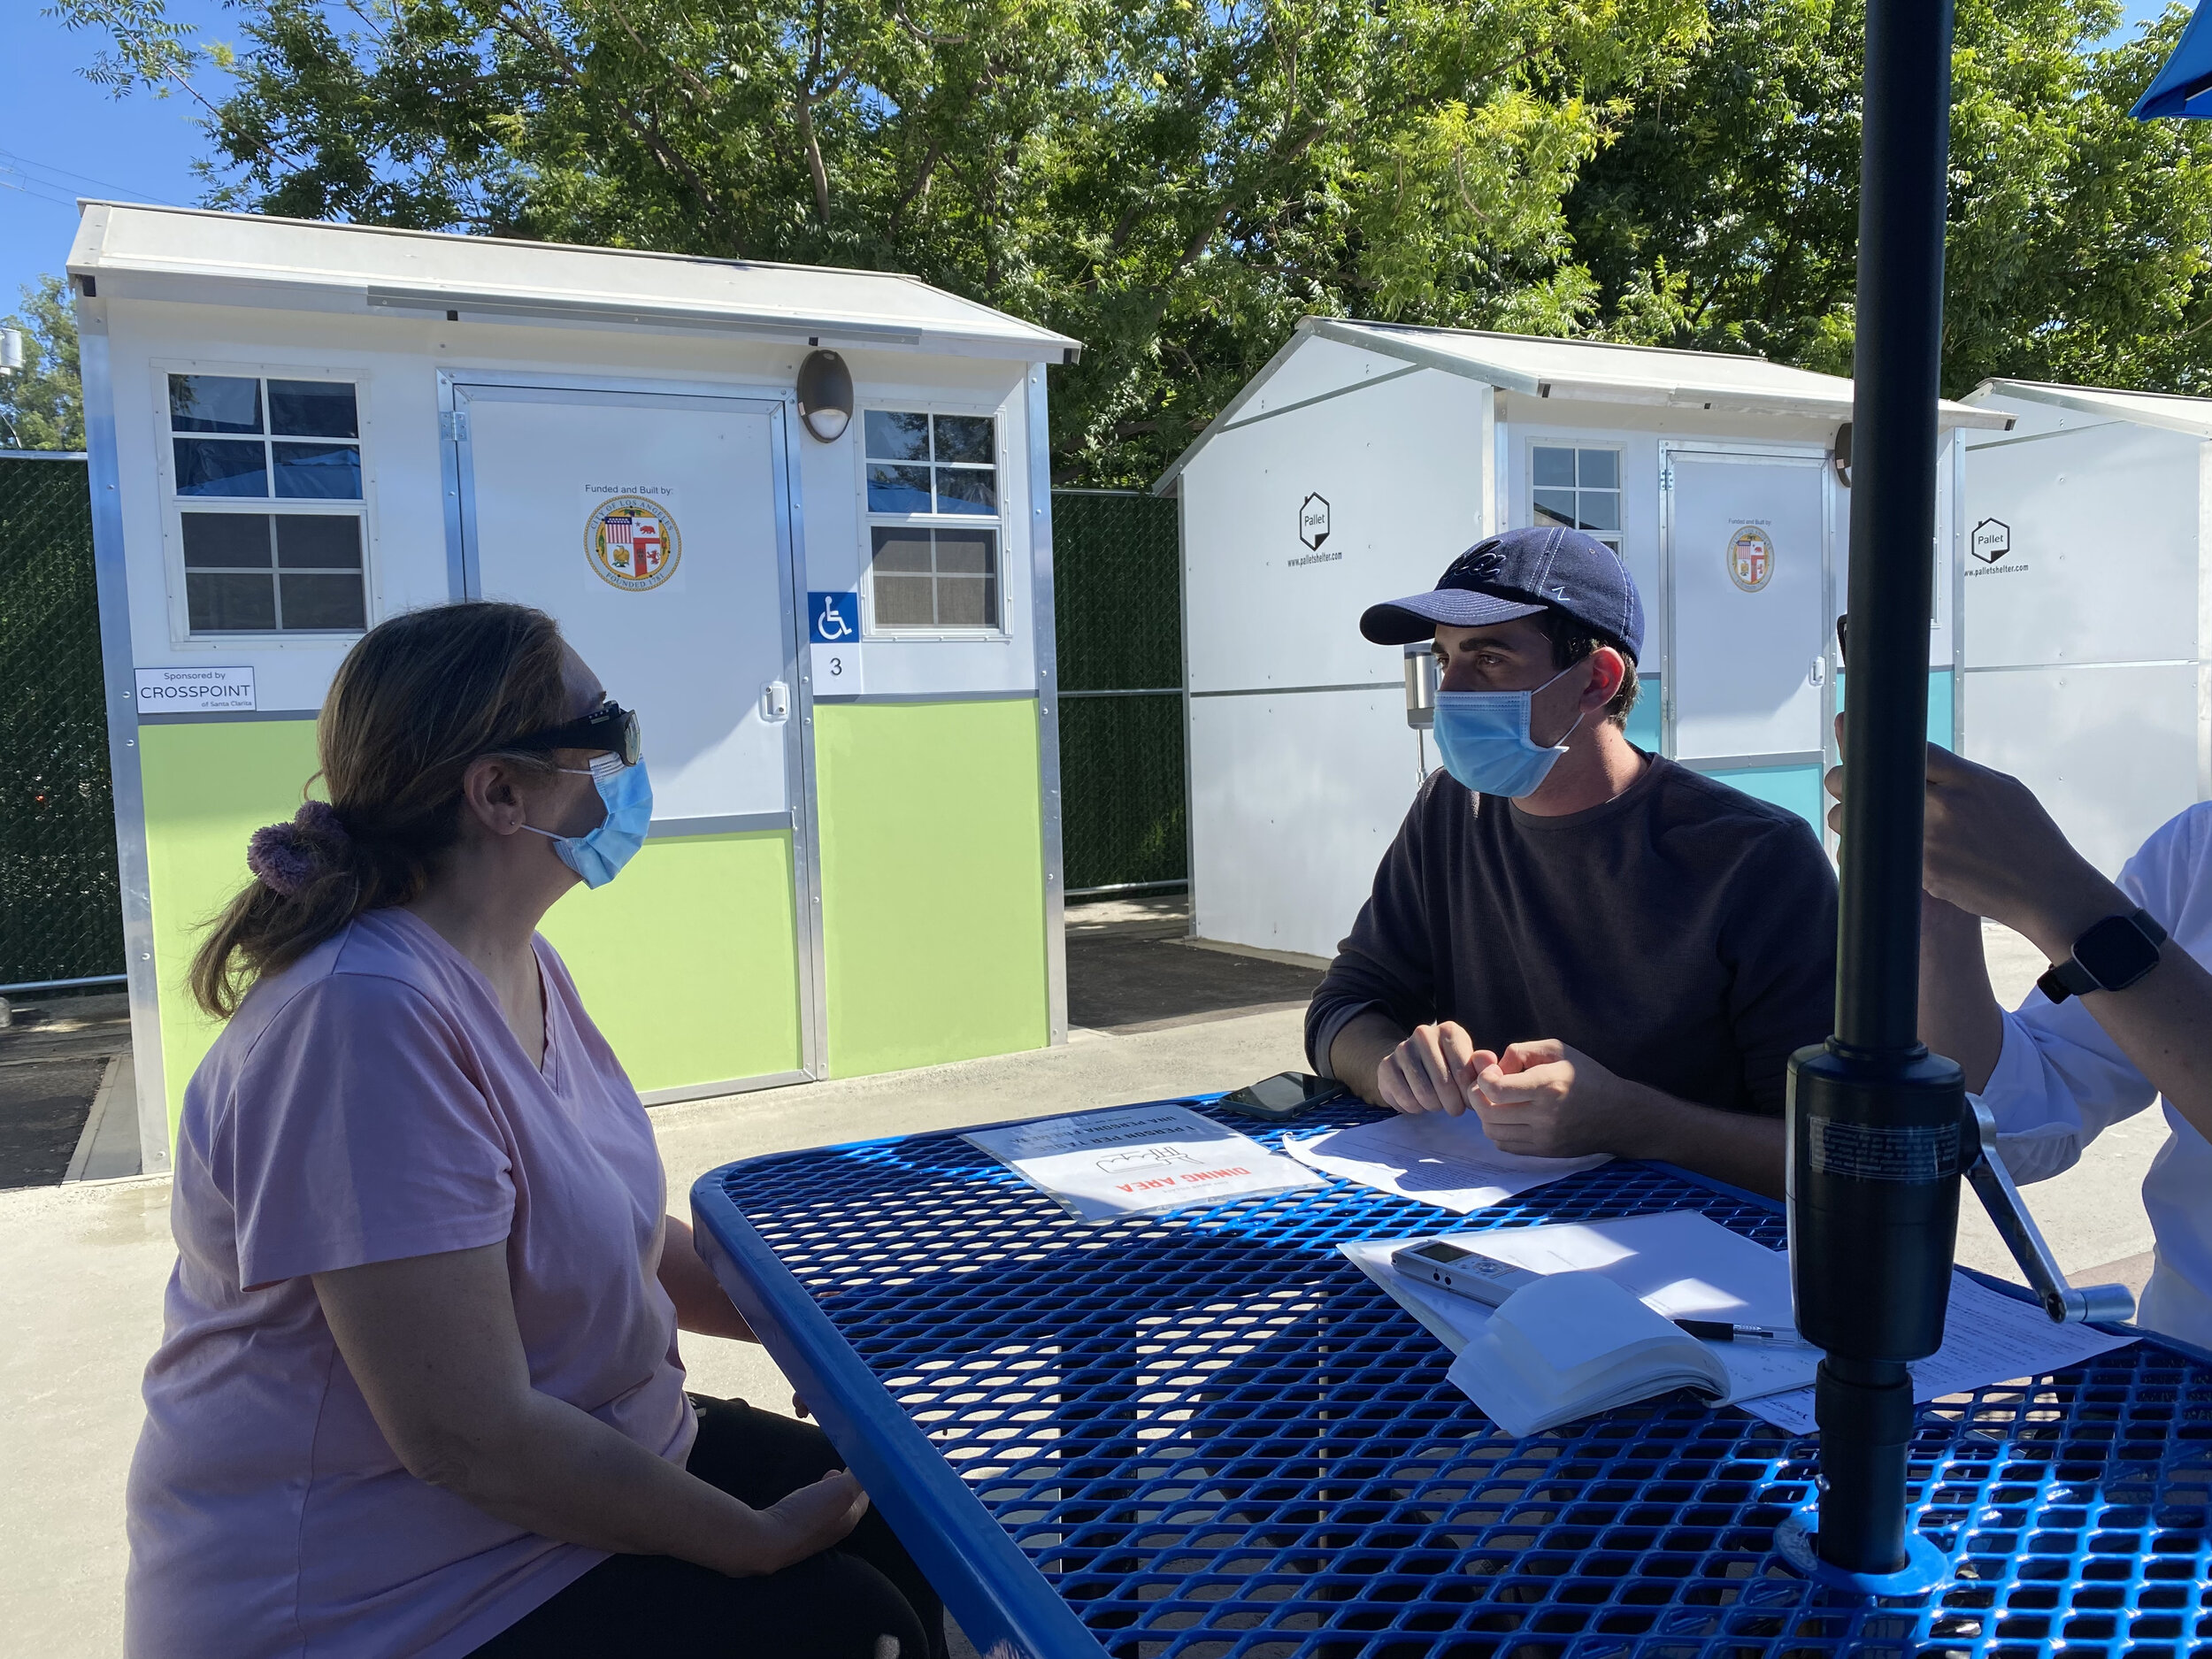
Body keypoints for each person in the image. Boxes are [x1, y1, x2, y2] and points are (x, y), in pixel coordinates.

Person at [124, 601, 944, 1659]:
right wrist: (743, 1543)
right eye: (604, 728)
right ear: (499, 792)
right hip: (384, 1589)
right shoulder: (361, 1018)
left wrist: (827, 1340)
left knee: (897, 1523)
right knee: (844, 1629)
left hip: (570, 1468)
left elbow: (614, 1236)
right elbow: (466, 1435)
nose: (627, 757)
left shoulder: (512, 961)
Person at [1310, 526, 1839, 1197]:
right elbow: (1342, 1007)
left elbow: (1830, 1154)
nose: (1452, 692)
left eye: (1489, 659)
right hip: (1479, 1240)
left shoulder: (1757, 860)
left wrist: (1631, 1121)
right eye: (1443, 660)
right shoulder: (1450, 809)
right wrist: (1390, 1063)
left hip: (1689, 1267)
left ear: (1597, 679)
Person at [1831, 738, 2212, 1348]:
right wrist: (1936, 911)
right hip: (2178, 1367)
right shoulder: (2198, 850)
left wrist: (2061, 897)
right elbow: (2027, 1114)